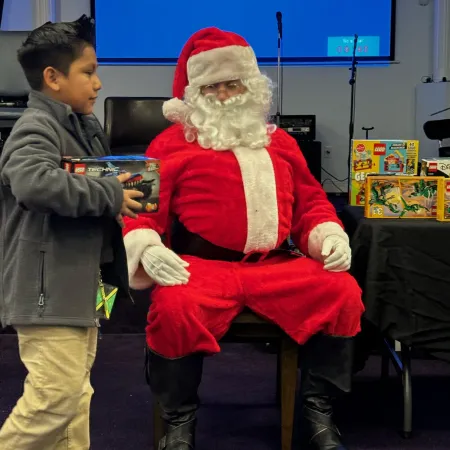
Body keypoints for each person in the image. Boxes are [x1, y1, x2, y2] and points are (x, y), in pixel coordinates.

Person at [123, 27, 364, 450]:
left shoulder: (282, 142)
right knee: (173, 307)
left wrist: (329, 235)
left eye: (232, 83)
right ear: (195, 93)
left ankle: (318, 413)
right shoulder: (166, 144)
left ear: (250, 86)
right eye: (212, 86)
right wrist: (148, 246)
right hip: (202, 268)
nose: (224, 94)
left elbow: (311, 204)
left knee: (341, 292)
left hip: (276, 266)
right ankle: (178, 423)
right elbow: (138, 210)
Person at [0, 15, 143, 450]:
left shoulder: (79, 128)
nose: (97, 83)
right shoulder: (35, 127)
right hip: (48, 292)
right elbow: (33, 183)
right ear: (52, 78)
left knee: (76, 397)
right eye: (88, 72)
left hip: (84, 287)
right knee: (54, 400)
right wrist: (107, 195)